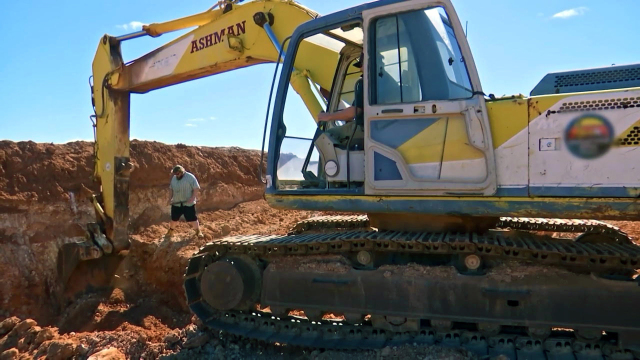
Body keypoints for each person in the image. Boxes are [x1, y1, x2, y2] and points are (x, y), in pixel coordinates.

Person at [166, 165, 204, 238]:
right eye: (175, 174)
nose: (176, 175)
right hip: (176, 203)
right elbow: (171, 189)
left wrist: (193, 198)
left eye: (178, 174)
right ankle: (170, 231)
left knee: (192, 218)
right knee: (174, 218)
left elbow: (196, 188)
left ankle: (198, 231)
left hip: (188, 203)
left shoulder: (190, 177)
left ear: (182, 172)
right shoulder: (174, 178)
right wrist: (169, 199)